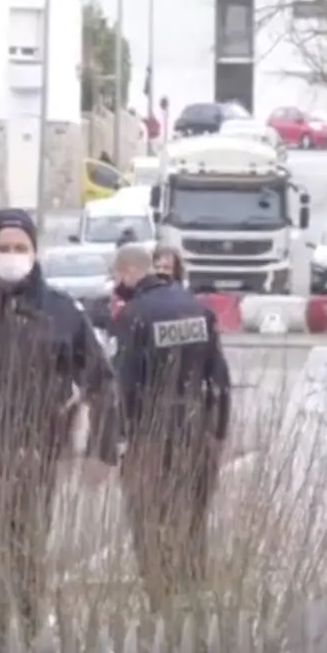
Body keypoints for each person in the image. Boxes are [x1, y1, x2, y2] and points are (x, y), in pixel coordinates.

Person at [0, 208, 114, 641]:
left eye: (20, 248)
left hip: (37, 453)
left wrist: (101, 450)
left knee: (26, 545)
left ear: (34, 252)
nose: (11, 255)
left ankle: (27, 634)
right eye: (3, 247)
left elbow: (101, 382)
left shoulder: (61, 313)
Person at [108, 243, 232, 610]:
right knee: (192, 523)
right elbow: (220, 379)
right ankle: (192, 599)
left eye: (117, 276)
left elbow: (124, 383)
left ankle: (160, 602)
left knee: (150, 523)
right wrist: (218, 432)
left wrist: (120, 438)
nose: (116, 284)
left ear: (130, 272)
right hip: (196, 433)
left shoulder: (133, 315)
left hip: (151, 437)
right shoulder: (197, 309)